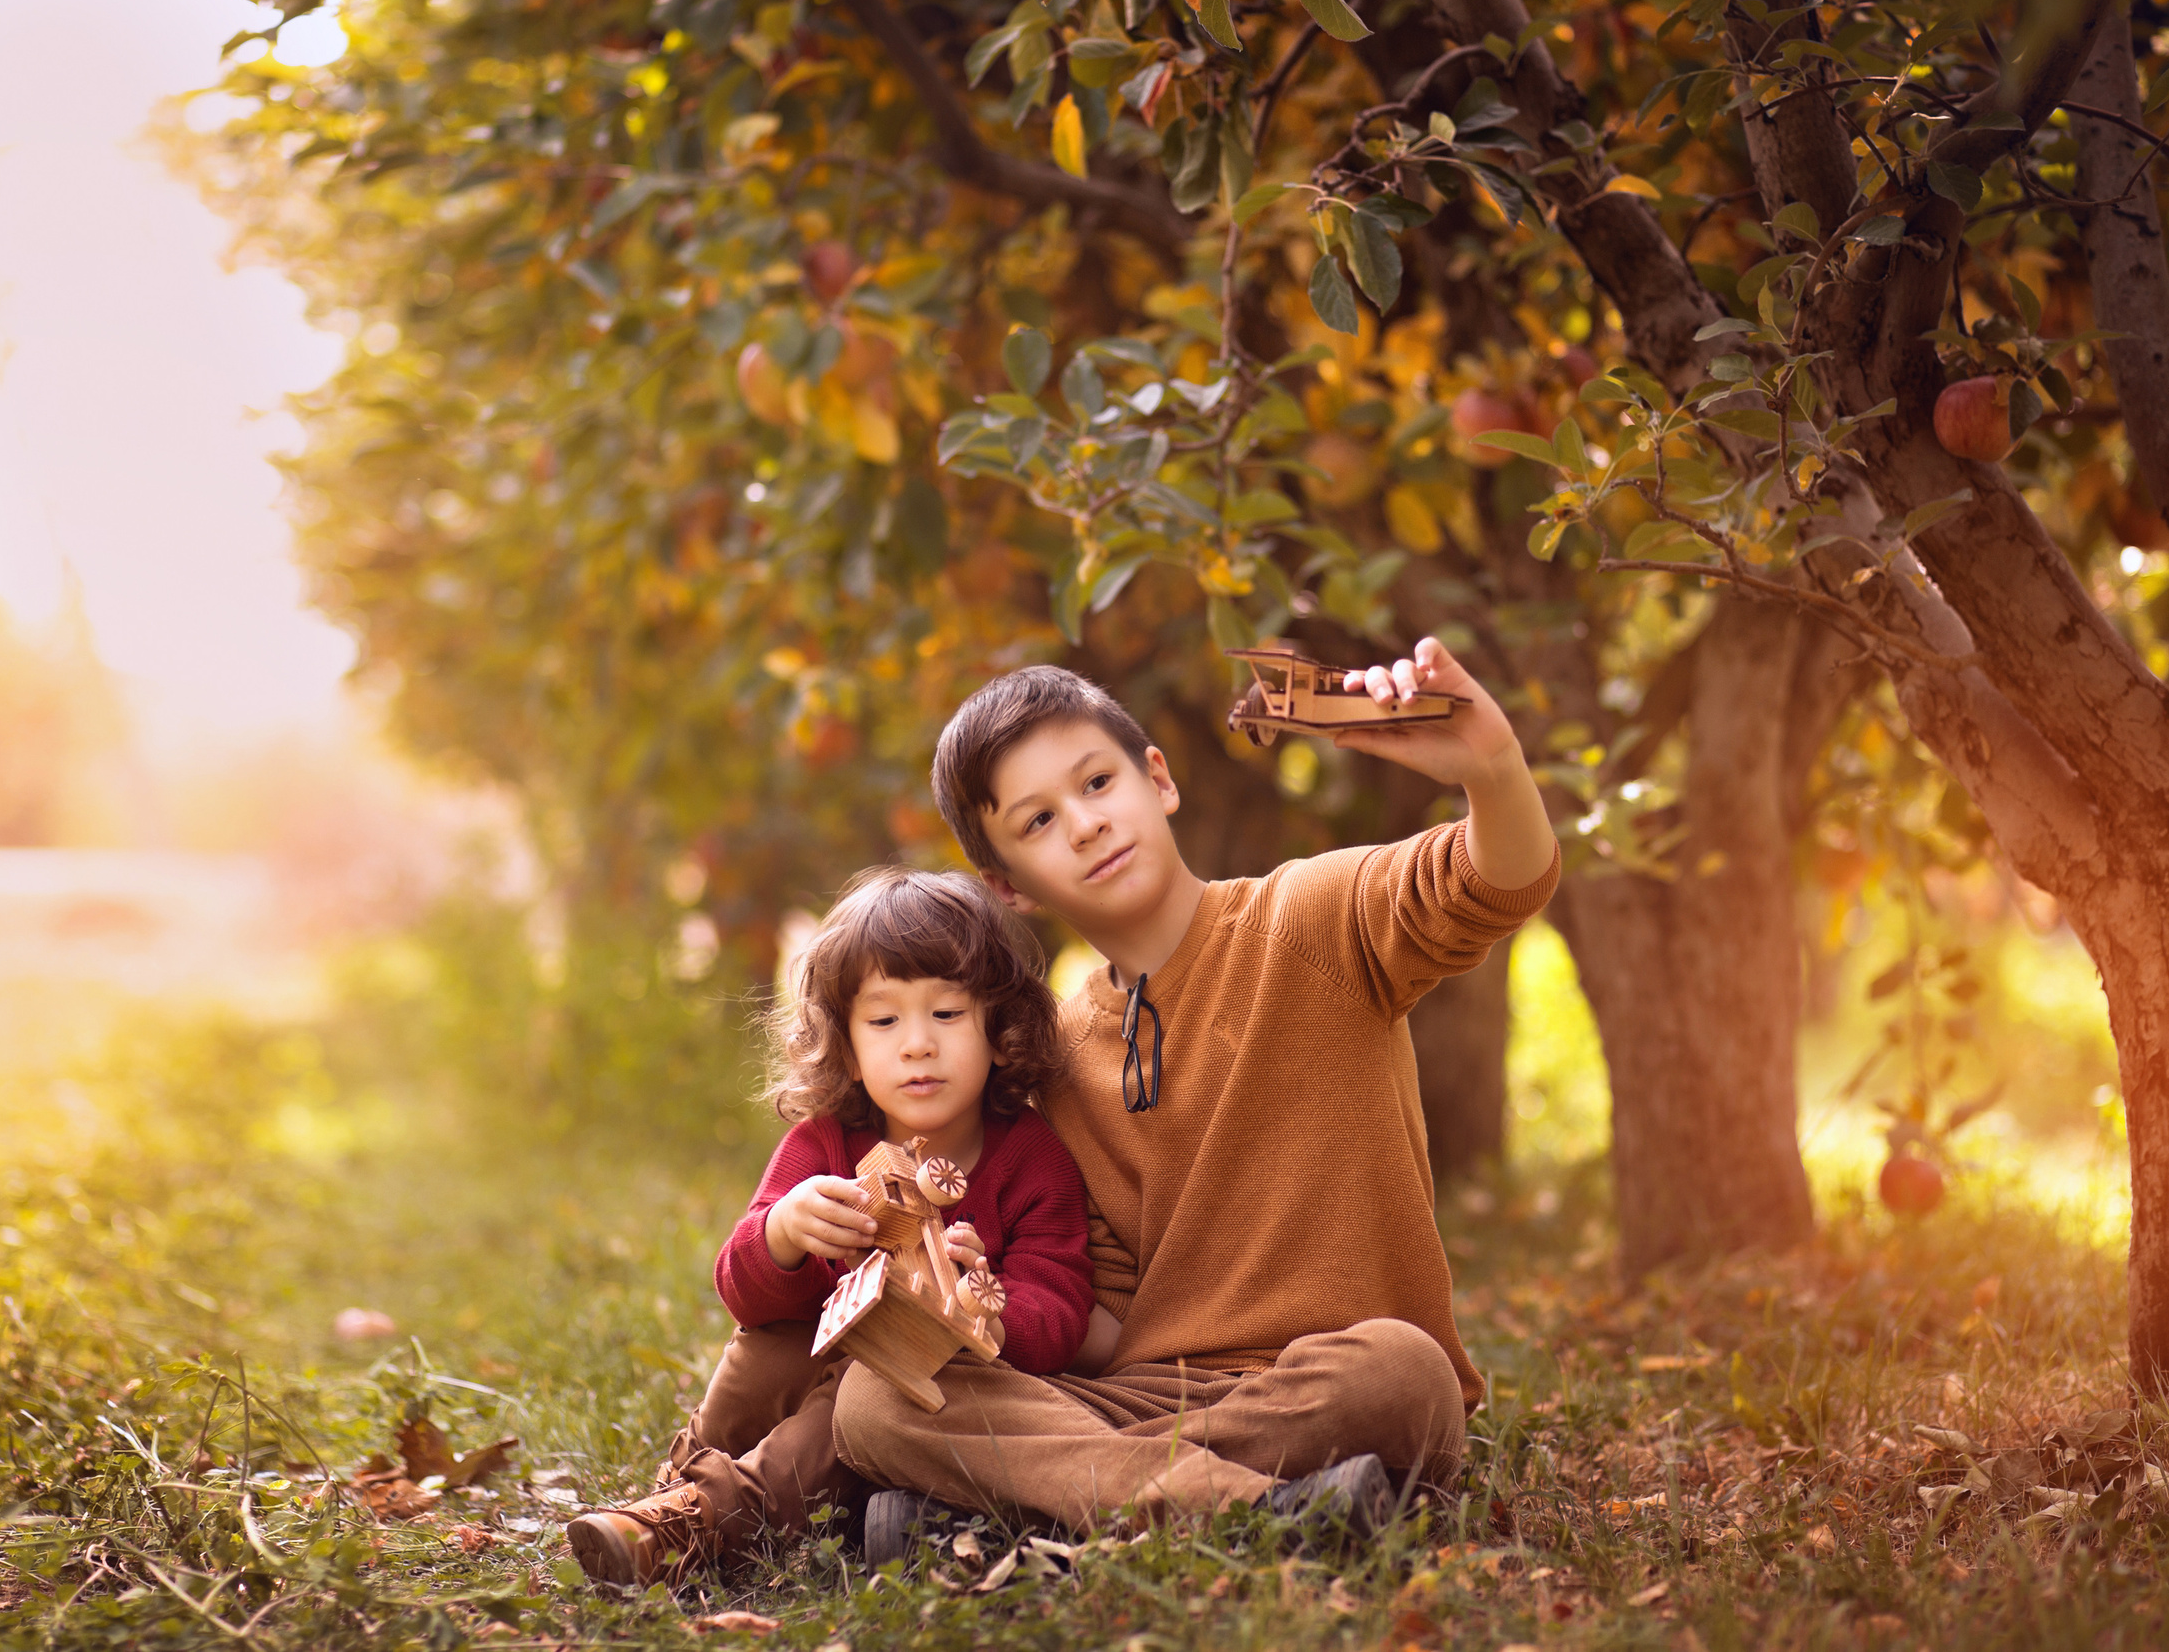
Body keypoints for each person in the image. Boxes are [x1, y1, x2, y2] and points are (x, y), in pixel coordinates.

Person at [833, 637, 1559, 1545]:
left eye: (1097, 784)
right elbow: (1097, 1310)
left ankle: (1049, 1517)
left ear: (1159, 779)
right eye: (1039, 820)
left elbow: (1499, 880)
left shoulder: (1310, 919)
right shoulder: (1046, 1057)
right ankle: (1252, 1513)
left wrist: (1491, 767)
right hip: (1146, 1391)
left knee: (1406, 1374)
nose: (1087, 824)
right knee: (874, 1398)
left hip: (1326, 1380)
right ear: (1006, 885)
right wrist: (983, 1298)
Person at [565, 868, 1094, 1586]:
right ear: (846, 1044)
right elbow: (742, 1292)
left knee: (848, 1403)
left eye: (946, 1014)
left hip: (907, 1397)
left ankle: (694, 1522)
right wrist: (783, 1232)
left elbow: (1062, 1307)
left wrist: (989, 1302)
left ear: (1000, 1031)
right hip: (799, 1361)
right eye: (884, 1020)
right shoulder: (824, 1144)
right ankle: (684, 1475)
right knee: (769, 1347)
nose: (917, 1044)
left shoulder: (1034, 1162)